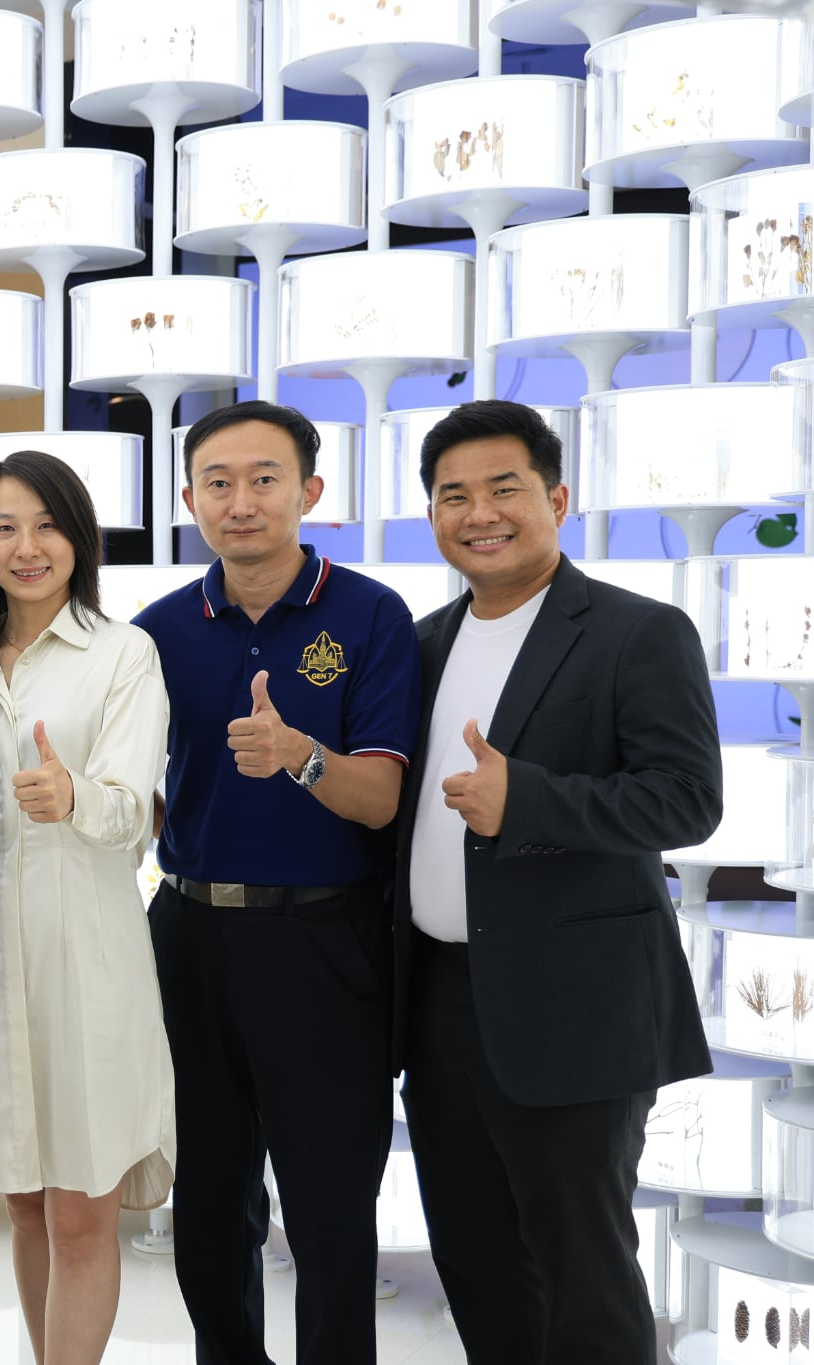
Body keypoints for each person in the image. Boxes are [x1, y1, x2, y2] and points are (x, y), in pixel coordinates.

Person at [395, 399, 718, 1364]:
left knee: (585, 1278)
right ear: (433, 514)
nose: (479, 514)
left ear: (558, 499)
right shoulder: (420, 644)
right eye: (454, 495)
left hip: (576, 1008)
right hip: (440, 1004)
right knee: (476, 1265)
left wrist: (526, 798)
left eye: (504, 489)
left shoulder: (638, 631)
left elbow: (686, 800)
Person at [132, 399, 419, 1365]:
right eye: (218, 483)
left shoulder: (370, 615)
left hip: (324, 940)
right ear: (190, 501)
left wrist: (300, 755)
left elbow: (380, 798)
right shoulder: (157, 632)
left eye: (264, 479)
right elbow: (136, 787)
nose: (241, 502)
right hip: (192, 936)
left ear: (310, 491)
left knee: (331, 1205)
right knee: (209, 1201)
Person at [0, 450, 174, 1365]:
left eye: (46, 525)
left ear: (80, 538)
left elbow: (132, 810)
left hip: (91, 954)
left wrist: (74, 796)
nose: (26, 546)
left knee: (80, 1212)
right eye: (4, 527)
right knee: (25, 1203)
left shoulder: (123, 654)